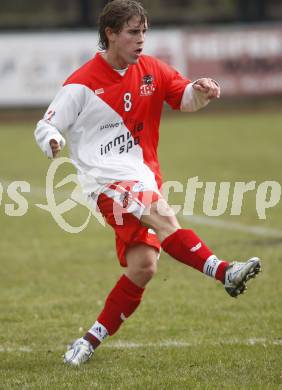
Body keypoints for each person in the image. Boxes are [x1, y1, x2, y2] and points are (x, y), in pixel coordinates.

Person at [34, 0, 261, 367]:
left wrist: (203, 88)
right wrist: (53, 141)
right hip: (105, 183)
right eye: (132, 32)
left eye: (144, 32)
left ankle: (88, 341)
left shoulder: (151, 69)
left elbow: (183, 96)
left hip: (142, 177)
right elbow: (46, 125)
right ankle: (225, 272)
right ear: (110, 34)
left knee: (143, 267)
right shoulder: (81, 84)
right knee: (162, 215)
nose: (141, 40)